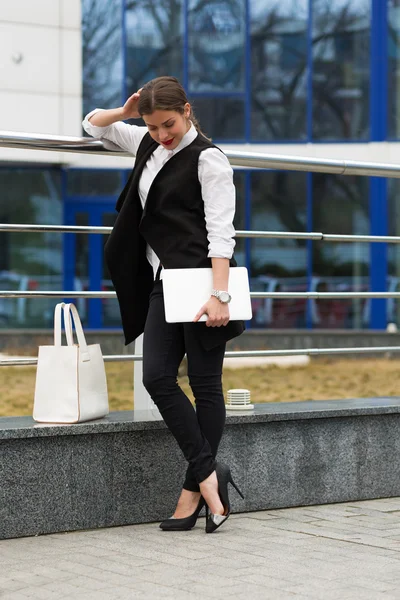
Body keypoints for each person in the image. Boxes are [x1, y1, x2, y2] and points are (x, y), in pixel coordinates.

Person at [82, 76, 245, 533]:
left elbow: (221, 233)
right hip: (163, 280)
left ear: (188, 111)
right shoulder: (146, 143)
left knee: (205, 384)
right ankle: (211, 474)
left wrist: (220, 295)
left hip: (203, 280)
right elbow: (92, 125)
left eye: (168, 124)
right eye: (152, 127)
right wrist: (124, 113)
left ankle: (191, 492)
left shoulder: (209, 160)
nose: (161, 135)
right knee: (155, 375)